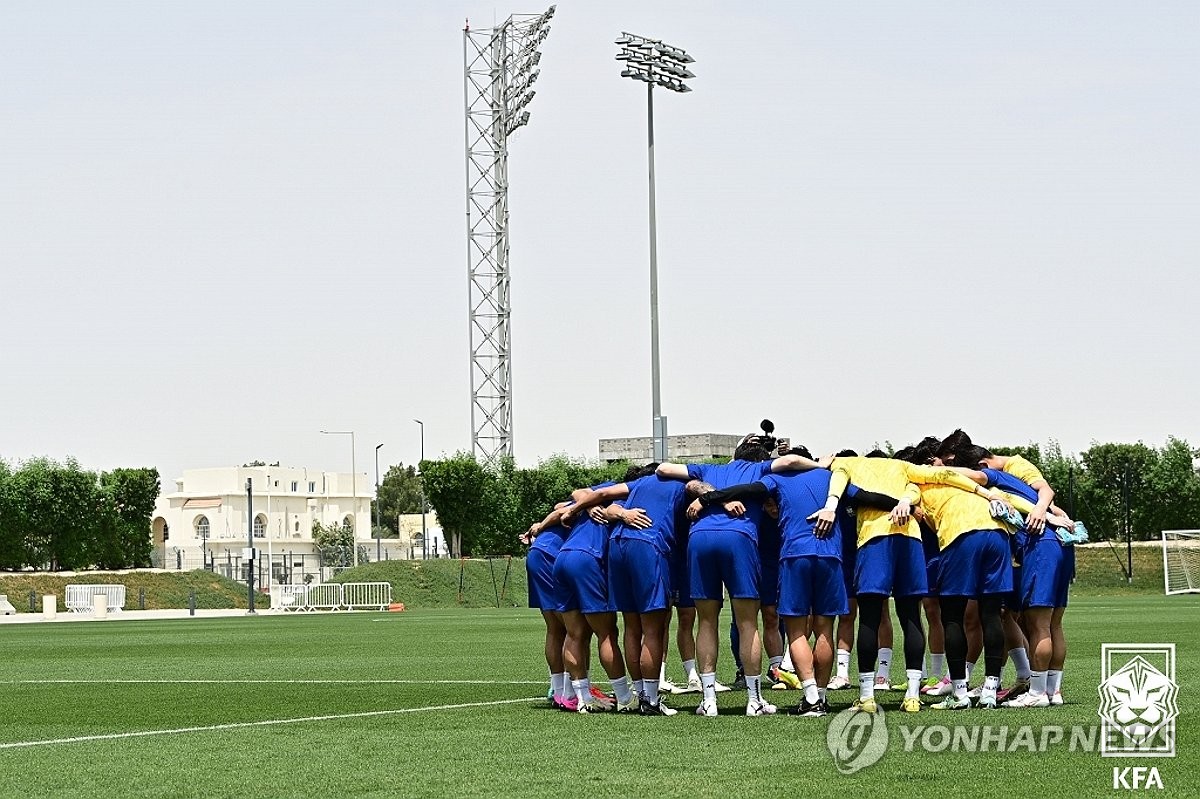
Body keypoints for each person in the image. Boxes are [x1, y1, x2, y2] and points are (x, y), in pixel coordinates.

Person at [821, 454, 1003, 713]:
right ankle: (913, 695)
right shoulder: (903, 468)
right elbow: (945, 475)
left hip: (874, 538)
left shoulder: (846, 463)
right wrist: (985, 493)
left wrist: (830, 504)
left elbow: (838, 479)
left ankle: (867, 697)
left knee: (870, 618)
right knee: (911, 618)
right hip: (910, 539)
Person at [658, 442, 827, 716]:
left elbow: (664, 468)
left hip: (699, 539)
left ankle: (709, 701)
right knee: (748, 622)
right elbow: (793, 462)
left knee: (706, 622)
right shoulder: (760, 469)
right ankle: (754, 699)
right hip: (739, 538)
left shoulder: (708, 468)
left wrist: (708, 495)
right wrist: (820, 464)